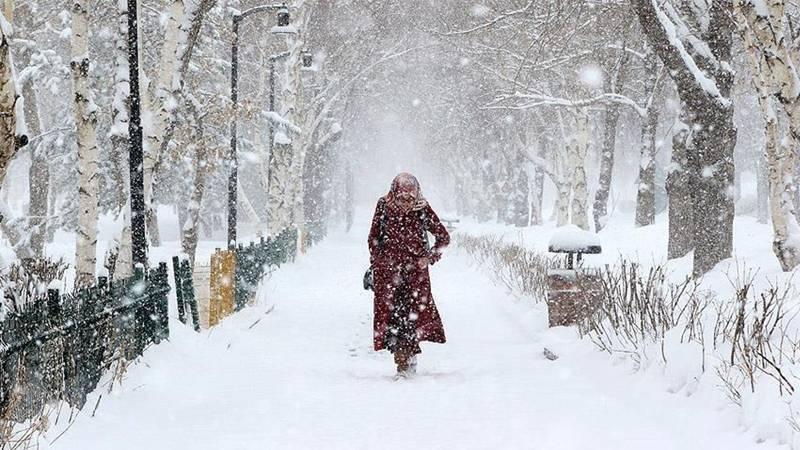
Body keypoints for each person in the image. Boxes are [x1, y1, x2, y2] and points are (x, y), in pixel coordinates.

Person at [368, 172, 450, 378]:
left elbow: (443, 237)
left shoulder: (422, 209)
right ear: (394, 193)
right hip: (389, 276)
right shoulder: (383, 206)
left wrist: (429, 258)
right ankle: (402, 360)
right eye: (402, 198)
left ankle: (407, 360)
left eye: (410, 198)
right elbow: (373, 238)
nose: (406, 203)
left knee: (411, 318)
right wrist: (379, 261)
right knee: (393, 319)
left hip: (416, 277)